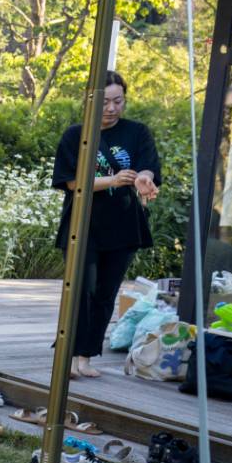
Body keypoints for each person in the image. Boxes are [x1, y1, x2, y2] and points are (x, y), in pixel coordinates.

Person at [53, 70, 163, 378]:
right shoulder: (76, 134)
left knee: (105, 295)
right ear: (91, 102)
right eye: (105, 102)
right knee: (81, 292)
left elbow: (148, 167)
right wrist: (112, 180)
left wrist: (144, 178)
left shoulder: (137, 131)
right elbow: (72, 181)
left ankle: (85, 358)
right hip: (83, 226)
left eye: (118, 101)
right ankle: (68, 354)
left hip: (125, 226)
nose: (112, 108)